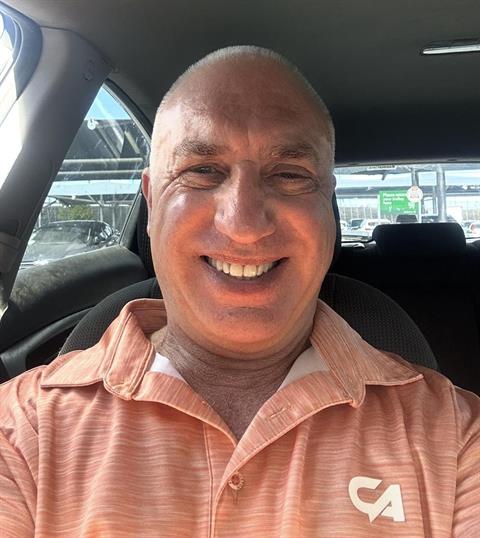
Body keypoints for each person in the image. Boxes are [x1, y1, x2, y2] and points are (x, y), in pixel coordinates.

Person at [1, 46, 479, 537]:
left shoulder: (454, 437)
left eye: (290, 175)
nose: (244, 225)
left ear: (328, 210)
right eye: (202, 171)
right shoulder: (21, 430)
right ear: (151, 201)